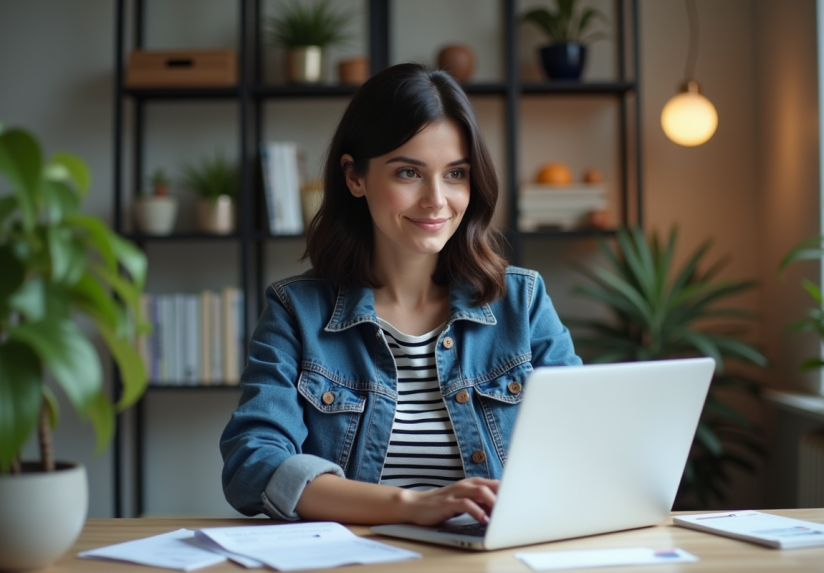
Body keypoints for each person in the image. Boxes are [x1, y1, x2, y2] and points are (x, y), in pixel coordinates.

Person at [220, 63, 581, 527]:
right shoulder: (296, 311)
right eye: (409, 172)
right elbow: (253, 464)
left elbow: (582, 447)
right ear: (355, 177)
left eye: (455, 174)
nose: (436, 199)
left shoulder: (522, 302)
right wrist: (411, 506)